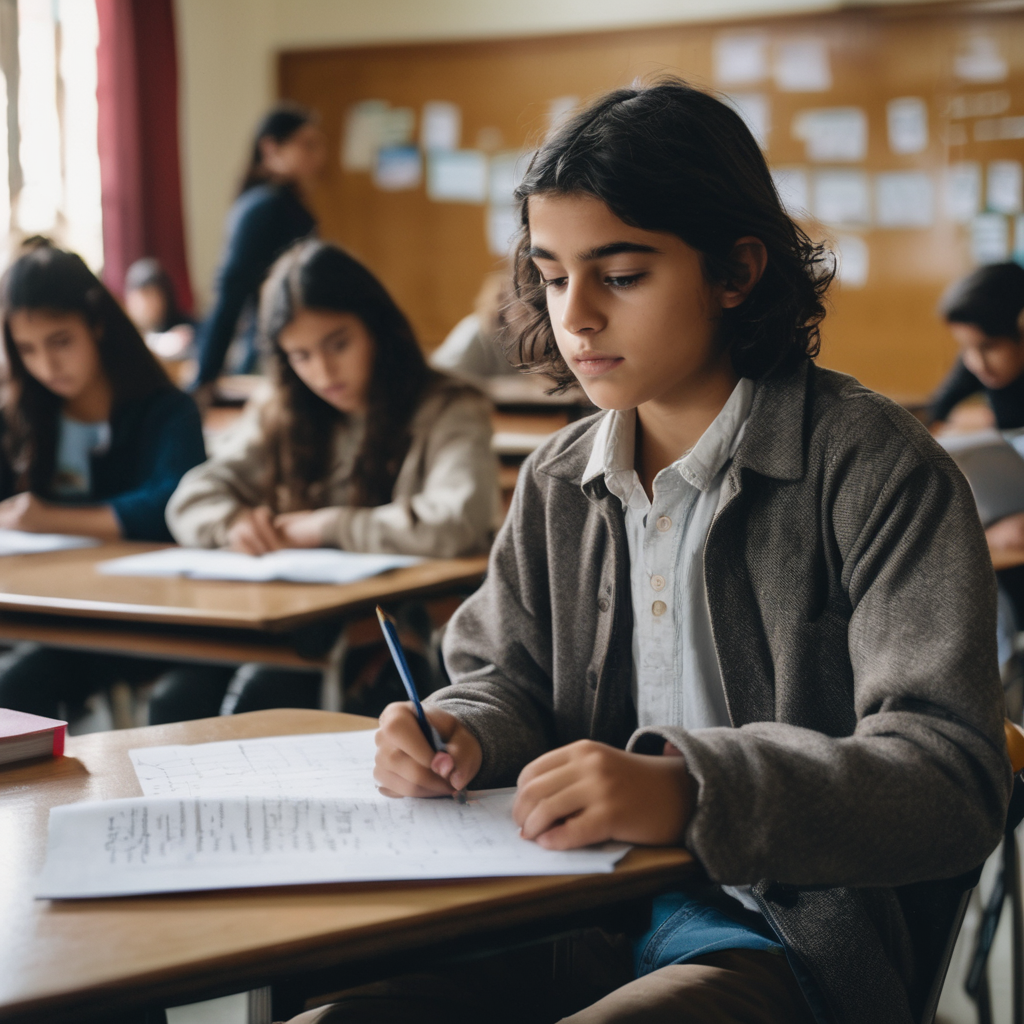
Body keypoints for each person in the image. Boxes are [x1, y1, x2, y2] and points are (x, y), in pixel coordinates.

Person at [316, 81, 1011, 1024]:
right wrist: (459, 731)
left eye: (622, 274)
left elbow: (949, 779)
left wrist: (688, 790)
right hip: (556, 909)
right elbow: (503, 678)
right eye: (553, 275)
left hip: (774, 930)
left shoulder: (873, 467)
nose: (578, 315)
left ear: (736, 273)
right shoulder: (561, 478)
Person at [150, 239, 499, 723]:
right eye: (301, 355)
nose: (323, 370)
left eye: (338, 343)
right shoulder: (280, 410)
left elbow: (457, 519)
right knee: (177, 700)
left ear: (376, 327)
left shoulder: (448, 406)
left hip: (400, 633)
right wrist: (231, 524)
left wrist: (326, 526)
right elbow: (191, 497)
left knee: (263, 694)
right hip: (288, 624)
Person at [0, 241, 206, 722]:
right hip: (56, 620)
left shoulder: (166, 410)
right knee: (12, 686)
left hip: (152, 620)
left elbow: (170, 505)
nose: (47, 366)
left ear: (96, 324)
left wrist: (50, 518)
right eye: (27, 350)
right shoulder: (22, 419)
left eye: (61, 341)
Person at [191, 104, 325, 402]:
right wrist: (205, 378)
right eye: (307, 145)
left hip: (296, 345)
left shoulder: (290, 204)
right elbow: (230, 294)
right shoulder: (262, 208)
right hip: (271, 354)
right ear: (270, 147)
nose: (318, 155)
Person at [928, 261, 1024, 431]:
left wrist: (990, 420)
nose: (978, 364)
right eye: (964, 347)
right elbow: (938, 409)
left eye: (989, 346)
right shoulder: (975, 357)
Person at [429, 271, 518, 379]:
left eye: (512, 300)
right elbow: (460, 376)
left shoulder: (509, 333)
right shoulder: (475, 329)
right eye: (501, 298)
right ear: (487, 300)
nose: (506, 305)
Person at [124, 257, 194, 361]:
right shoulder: (126, 336)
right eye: (142, 297)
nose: (146, 305)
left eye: (152, 296)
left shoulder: (187, 330)